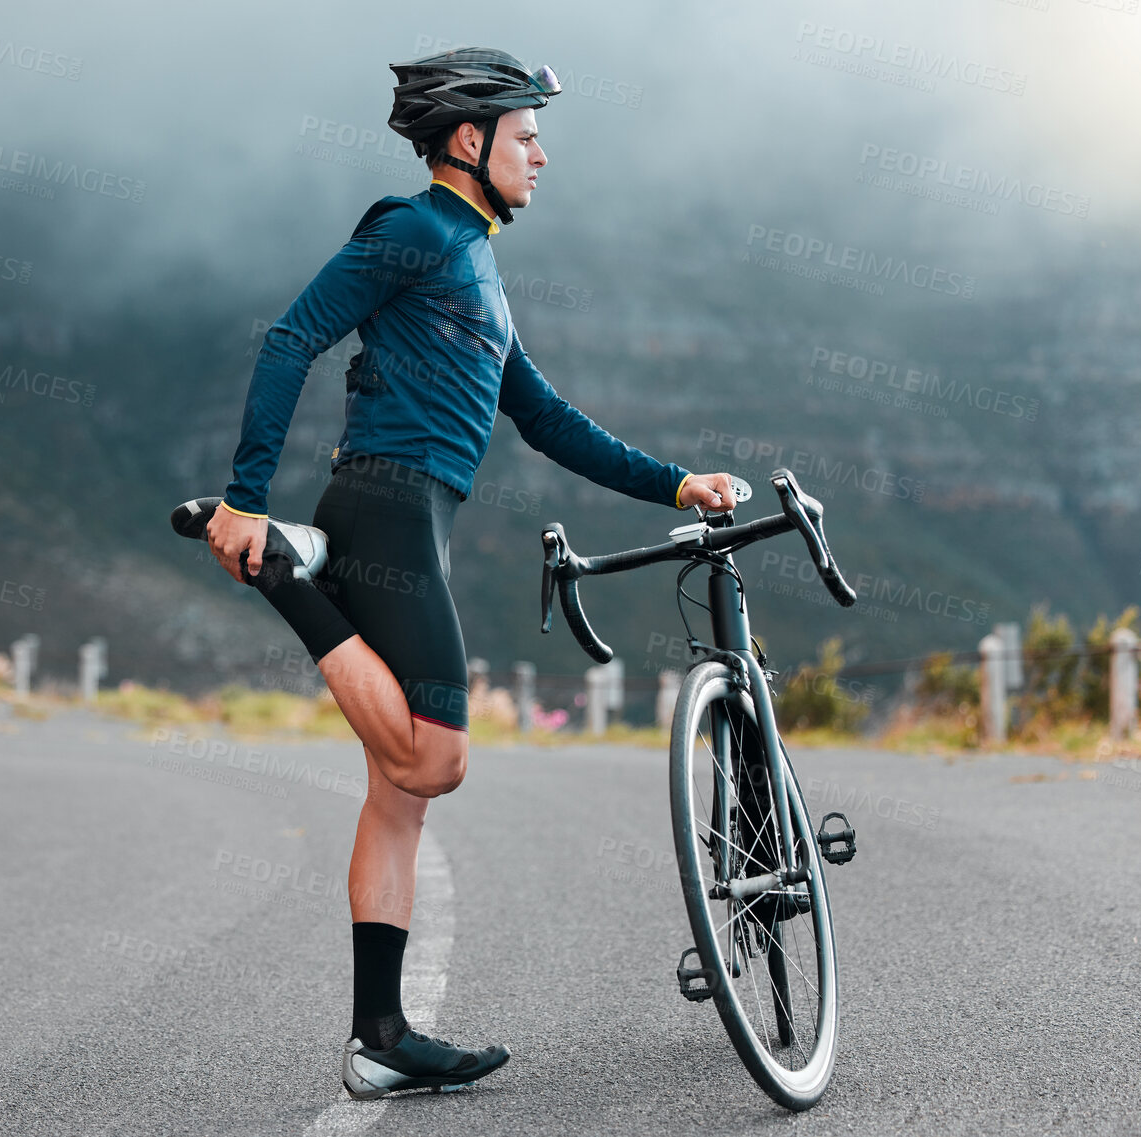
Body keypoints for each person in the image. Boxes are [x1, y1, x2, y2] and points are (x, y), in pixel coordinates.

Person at [171, 47, 738, 1099]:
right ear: (469, 142)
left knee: (398, 792)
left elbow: (545, 419)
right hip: (385, 504)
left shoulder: (477, 264)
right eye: (527, 137)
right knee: (436, 761)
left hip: (412, 517)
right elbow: (291, 337)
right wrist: (247, 494)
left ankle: (379, 1038)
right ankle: (284, 571)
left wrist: (675, 485)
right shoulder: (414, 231)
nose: (543, 157)